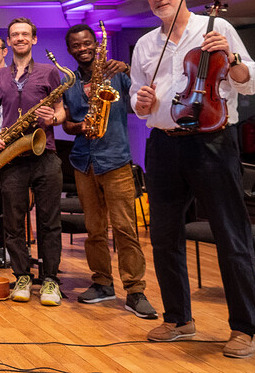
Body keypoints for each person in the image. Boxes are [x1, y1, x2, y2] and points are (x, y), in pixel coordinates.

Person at [130, 0, 255, 357]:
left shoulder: (213, 27)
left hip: (212, 142)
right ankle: (178, 319)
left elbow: (248, 80)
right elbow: (139, 98)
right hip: (164, 143)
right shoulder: (145, 44)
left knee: (230, 235)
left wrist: (231, 56)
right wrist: (141, 103)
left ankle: (246, 327)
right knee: (165, 236)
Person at [61, 24, 157, 319]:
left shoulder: (118, 75)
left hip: (115, 160)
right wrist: (80, 126)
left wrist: (129, 67)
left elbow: (147, 93)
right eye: (76, 45)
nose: (83, 49)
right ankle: (102, 283)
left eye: (87, 43)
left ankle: (135, 290)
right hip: (83, 161)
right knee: (94, 230)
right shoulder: (70, 82)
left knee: (126, 229)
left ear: (95, 44)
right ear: (70, 50)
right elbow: (66, 124)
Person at [0, 17, 65, 306]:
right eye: (14, 34)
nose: (19, 38)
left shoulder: (49, 72)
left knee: (49, 220)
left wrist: (53, 118)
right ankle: (21, 275)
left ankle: (51, 279)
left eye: (24, 34)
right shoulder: (0, 77)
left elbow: (60, 111)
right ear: (8, 41)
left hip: (46, 154)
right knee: (13, 222)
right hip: (12, 156)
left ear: (34, 39)